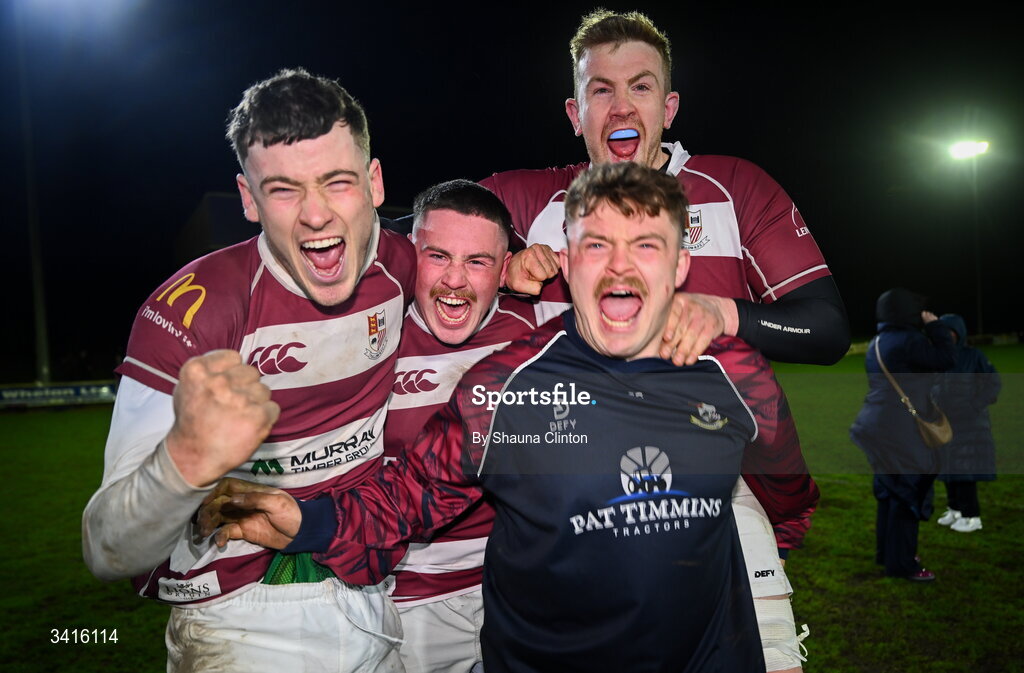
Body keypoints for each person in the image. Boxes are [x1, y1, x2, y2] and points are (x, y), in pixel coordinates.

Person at [198, 163, 810, 672]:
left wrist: (752, 566)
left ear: (679, 269)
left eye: (646, 246)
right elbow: (409, 499)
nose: (621, 268)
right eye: (597, 245)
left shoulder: (735, 371)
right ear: (567, 262)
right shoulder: (508, 386)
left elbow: (784, 490)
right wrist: (304, 519)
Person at [480, 10, 844, 670]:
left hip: (716, 491)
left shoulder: (732, 187)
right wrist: (490, 264)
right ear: (574, 109)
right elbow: (396, 242)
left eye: (640, 87)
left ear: (668, 105)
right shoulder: (523, 200)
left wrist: (725, 312)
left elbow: (825, 328)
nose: (621, 104)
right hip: (560, 494)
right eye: (600, 89)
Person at [81, 67, 416, 672]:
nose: (315, 215)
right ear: (247, 199)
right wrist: (183, 461)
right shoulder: (192, 310)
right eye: (284, 190)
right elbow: (106, 550)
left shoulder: (409, 265)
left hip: (374, 596)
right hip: (238, 621)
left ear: (374, 181)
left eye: (337, 182)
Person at [385, 180, 536, 672]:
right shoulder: (371, 342)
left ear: (504, 270)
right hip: (406, 605)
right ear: (410, 254)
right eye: (438, 256)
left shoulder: (527, 339)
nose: (455, 280)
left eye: (477, 261)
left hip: (517, 596)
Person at [850, 288, 956, 581]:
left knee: (890, 491)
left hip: (875, 425)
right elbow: (947, 360)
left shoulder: (878, 341)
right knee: (907, 493)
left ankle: (888, 554)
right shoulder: (909, 340)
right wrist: (935, 326)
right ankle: (902, 564)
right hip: (898, 429)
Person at [933, 313, 1001, 533]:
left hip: (970, 424)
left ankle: (972, 516)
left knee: (964, 471)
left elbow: (993, 384)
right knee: (947, 467)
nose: (948, 337)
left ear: (959, 334)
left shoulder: (974, 356)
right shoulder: (938, 357)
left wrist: (973, 406)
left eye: (951, 332)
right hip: (944, 423)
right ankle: (955, 510)